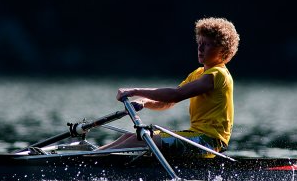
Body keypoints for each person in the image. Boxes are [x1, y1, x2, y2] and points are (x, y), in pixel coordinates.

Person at [97, 17, 240, 158]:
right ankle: (92, 157)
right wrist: (143, 101)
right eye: (199, 43)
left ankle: (90, 161)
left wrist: (135, 91)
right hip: (196, 136)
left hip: (209, 142)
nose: (200, 48)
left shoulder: (218, 74)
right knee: (130, 136)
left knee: (142, 139)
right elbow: (167, 102)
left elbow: (175, 95)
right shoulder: (198, 74)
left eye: (207, 45)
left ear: (223, 50)